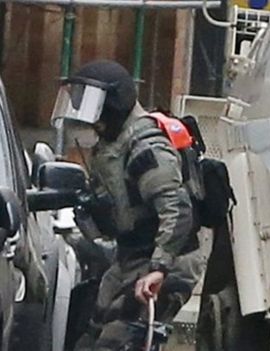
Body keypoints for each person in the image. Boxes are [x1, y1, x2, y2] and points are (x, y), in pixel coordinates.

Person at [53, 60, 205, 350]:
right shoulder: (114, 143)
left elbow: (178, 210)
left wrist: (159, 268)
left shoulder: (146, 146)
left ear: (113, 103)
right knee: (87, 339)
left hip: (164, 260)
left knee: (118, 341)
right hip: (131, 258)